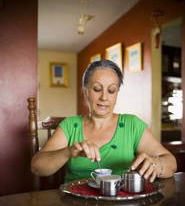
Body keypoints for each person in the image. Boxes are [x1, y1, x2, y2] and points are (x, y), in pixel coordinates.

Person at [31, 59, 177, 183]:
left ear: (116, 94)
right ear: (86, 91)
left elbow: (171, 162)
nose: (104, 97)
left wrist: (157, 164)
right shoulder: (70, 126)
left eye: (111, 90)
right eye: (97, 89)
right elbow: (37, 167)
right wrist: (69, 151)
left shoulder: (132, 125)